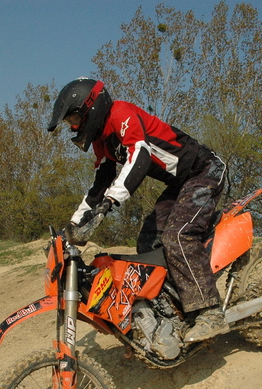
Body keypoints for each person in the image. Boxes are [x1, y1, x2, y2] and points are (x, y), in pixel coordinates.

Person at [47, 77, 229, 343]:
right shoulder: (102, 140)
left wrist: (111, 202)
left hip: (205, 170)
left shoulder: (121, 114)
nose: (73, 126)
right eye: (69, 123)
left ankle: (210, 312)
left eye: (74, 119)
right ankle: (176, 310)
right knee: (148, 243)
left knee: (178, 236)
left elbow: (139, 156)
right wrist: (73, 225)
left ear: (91, 106)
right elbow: (99, 185)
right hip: (179, 184)